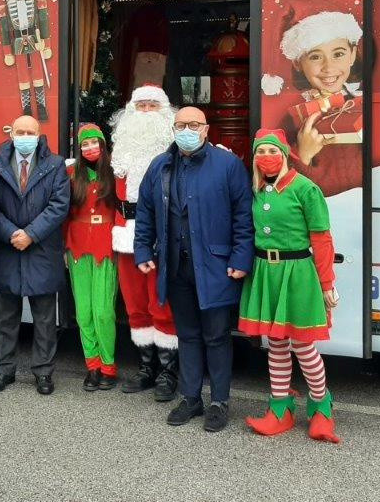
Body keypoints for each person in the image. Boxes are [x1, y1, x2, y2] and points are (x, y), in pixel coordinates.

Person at [133, 106, 254, 432]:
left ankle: (219, 402)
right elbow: (145, 212)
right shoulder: (160, 166)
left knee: (216, 336)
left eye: (194, 125)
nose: (187, 130)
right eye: (181, 125)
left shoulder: (228, 165)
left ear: (206, 129)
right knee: (187, 335)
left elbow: (243, 215)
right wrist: (142, 249)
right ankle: (190, 398)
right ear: (173, 129)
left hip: (216, 267)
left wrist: (241, 258)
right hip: (175, 268)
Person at [238, 129, 341, 444]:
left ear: (284, 154)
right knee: (276, 345)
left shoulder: (305, 189)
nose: (266, 157)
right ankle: (280, 409)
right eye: (261, 151)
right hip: (265, 272)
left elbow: (322, 239)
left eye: (273, 151)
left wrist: (327, 284)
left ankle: (322, 407)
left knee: (304, 346)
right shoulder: (256, 189)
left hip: (297, 274)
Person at [0, 115, 70, 396]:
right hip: (8, 247)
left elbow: (59, 206)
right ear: (11, 134)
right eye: (20, 132)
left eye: (30, 132)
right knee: (6, 317)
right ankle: (4, 370)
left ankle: (43, 372)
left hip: (42, 249)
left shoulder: (55, 164)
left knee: (44, 318)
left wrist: (31, 234)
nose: (25, 137)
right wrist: (12, 233)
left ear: (39, 134)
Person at [109, 85, 179, 400]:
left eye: (153, 105)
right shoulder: (120, 148)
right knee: (135, 304)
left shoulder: (174, 151)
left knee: (161, 303)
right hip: (125, 234)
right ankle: (146, 367)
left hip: (161, 235)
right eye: (141, 106)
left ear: (165, 112)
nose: (147, 112)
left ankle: (168, 372)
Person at [262, 8, 364, 197]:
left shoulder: (364, 106)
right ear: (298, 63)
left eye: (338, 54)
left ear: (352, 54)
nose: (328, 67)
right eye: (315, 57)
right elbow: (276, 187)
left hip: (362, 208)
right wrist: (303, 155)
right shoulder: (291, 120)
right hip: (317, 209)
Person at [64, 124, 119, 390]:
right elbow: (63, 211)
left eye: (94, 142)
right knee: (83, 311)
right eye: (84, 144)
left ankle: (109, 366)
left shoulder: (115, 171)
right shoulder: (71, 173)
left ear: (103, 144)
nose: (90, 148)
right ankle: (93, 366)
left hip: (106, 246)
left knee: (104, 310)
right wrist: (62, 247)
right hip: (77, 246)